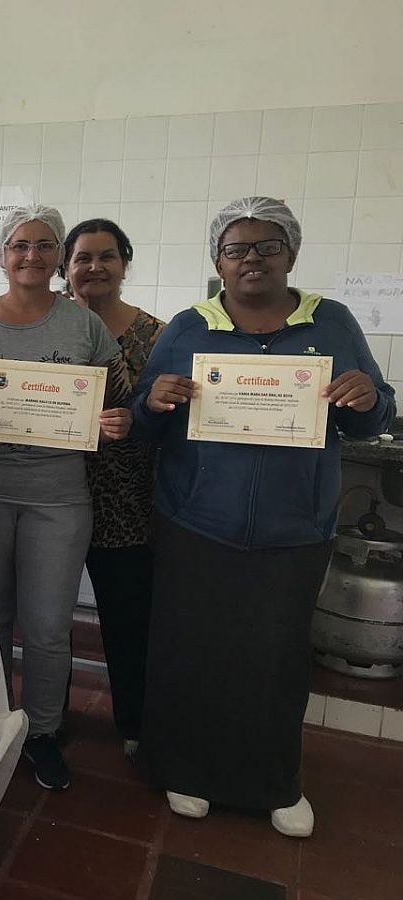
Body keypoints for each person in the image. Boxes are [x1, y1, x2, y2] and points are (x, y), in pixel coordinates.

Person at [132, 196, 396, 837]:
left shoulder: (331, 323)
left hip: (295, 528)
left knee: (276, 658)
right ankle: (187, 770)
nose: (251, 258)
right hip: (197, 522)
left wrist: (366, 397)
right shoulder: (187, 328)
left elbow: (373, 417)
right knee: (191, 650)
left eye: (267, 246)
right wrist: (154, 401)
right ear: (218, 261)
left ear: (291, 254)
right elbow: (142, 424)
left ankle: (274, 782)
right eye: (236, 249)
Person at [0, 204, 132, 791]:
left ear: (59, 257)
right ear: (2, 256)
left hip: (58, 497)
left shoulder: (83, 325)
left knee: (48, 625)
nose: (31, 255)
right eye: (19, 245)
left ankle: (43, 731)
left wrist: (113, 422)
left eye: (45, 245)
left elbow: (117, 399)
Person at [60, 219, 164, 758]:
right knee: (46, 617)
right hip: (50, 492)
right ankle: (46, 718)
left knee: (127, 619)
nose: (95, 267)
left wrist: (138, 420)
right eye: (83, 257)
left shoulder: (159, 335)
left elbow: (173, 415)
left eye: (107, 256)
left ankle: (135, 724)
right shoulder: (42, 323)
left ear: (125, 263)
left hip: (125, 501)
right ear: (65, 267)